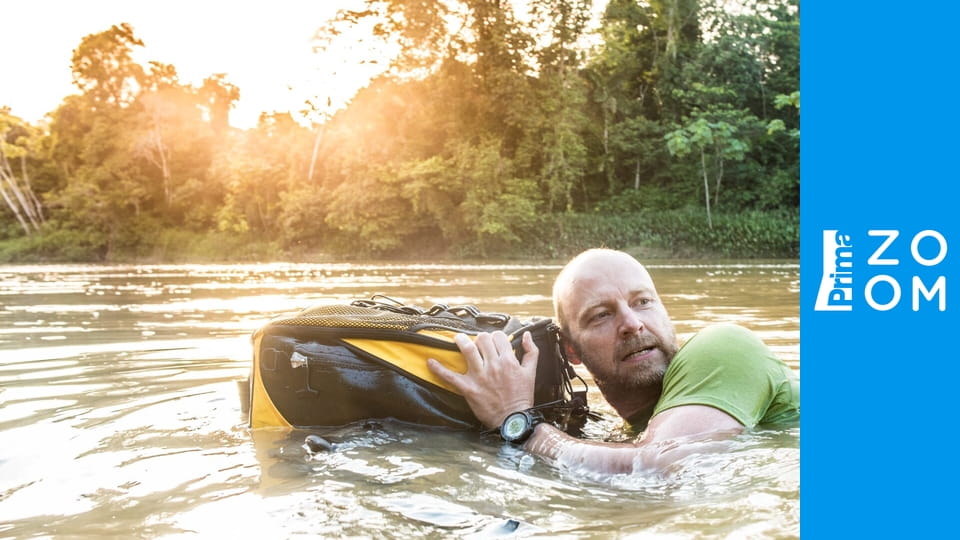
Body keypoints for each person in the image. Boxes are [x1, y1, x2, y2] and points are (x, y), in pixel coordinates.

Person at [427, 248, 800, 475]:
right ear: (571, 351)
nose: (632, 323)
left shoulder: (723, 347)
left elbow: (659, 469)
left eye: (643, 302)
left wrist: (518, 423)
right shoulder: (627, 432)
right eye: (601, 315)